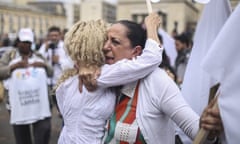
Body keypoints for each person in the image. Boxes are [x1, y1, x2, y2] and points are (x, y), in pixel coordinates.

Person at [91, 20, 222, 144]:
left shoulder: (157, 81)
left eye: (115, 42)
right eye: (105, 41)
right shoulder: (102, 77)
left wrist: (209, 128)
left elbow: (196, 131)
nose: (105, 47)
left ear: (135, 51)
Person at [55, 13, 163, 144]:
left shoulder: (66, 81)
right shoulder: (100, 75)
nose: (107, 46)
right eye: (105, 41)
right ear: (96, 46)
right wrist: (151, 27)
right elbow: (152, 58)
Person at [0, 28, 53, 144]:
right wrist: (13, 67)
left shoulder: (38, 56)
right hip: (18, 104)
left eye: (28, 43)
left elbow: (51, 72)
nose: (26, 45)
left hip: (40, 104)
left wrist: (43, 65)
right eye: (23, 42)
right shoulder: (10, 56)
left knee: (43, 134)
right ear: (18, 42)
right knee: (22, 138)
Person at [38, 26, 68, 107]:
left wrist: (59, 61)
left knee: (62, 107)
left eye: (56, 35)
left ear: (60, 36)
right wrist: (45, 50)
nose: (54, 37)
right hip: (47, 82)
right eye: (52, 35)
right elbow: (38, 60)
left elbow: (71, 66)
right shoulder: (45, 46)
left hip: (61, 83)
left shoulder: (65, 47)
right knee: (47, 106)